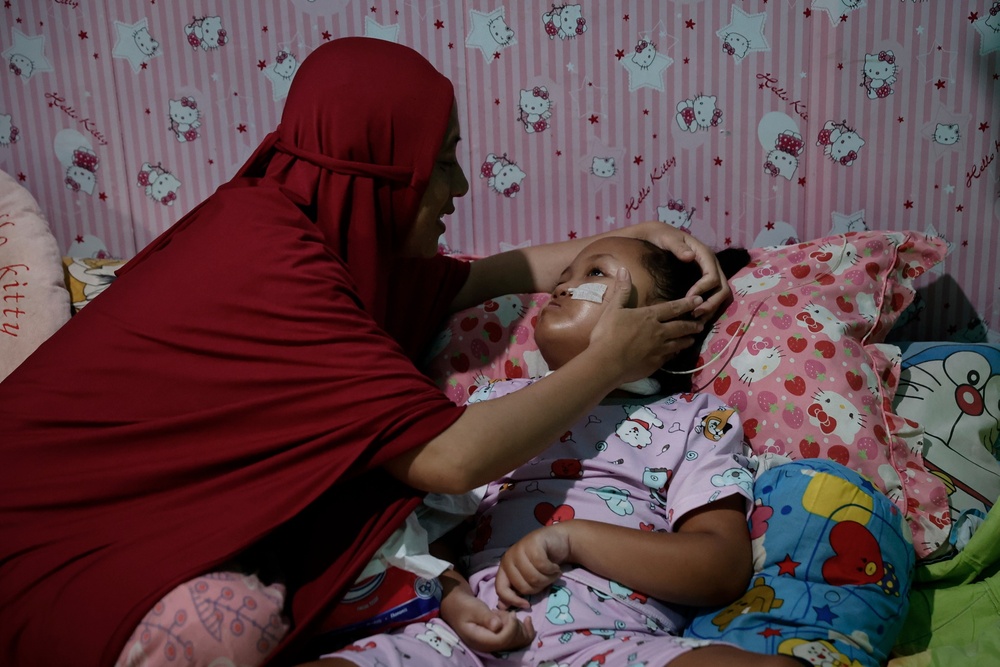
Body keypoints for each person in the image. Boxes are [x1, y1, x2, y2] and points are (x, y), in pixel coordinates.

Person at [0, 38, 732, 667]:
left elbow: (478, 278)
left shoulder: (320, 231)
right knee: (236, 619)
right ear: (383, 172)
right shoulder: (273, 265)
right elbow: (448, 461)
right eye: (441, 163)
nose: (459, 187)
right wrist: (607, 359)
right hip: (41, 532)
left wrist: (631, 238)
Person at [310, 237, 803, 667]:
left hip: (615, 643)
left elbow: (720, 568)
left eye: (597, 274)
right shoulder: (492, 404)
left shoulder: (692, 419)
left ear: (670, 322)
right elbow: (438, 533)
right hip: (465, 642)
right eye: (563, 277)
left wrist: (572, 539)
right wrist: (456, 600)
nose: (563, 288)